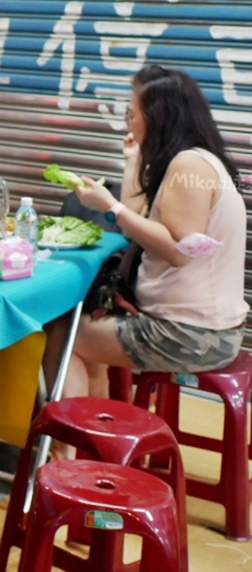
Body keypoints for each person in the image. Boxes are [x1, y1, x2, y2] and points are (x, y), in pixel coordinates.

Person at [46, 66, 247, 409]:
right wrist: (132, 161)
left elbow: (179, 251)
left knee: (61, 334)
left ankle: (67, 448)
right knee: (80, 326)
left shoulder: (189, 166)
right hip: (204, 328)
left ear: (157, 117)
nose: (129, 122)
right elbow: (136, 218)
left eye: (132, 114)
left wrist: (109, 205)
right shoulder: (194, 160)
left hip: (191, 334)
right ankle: (93, 435)